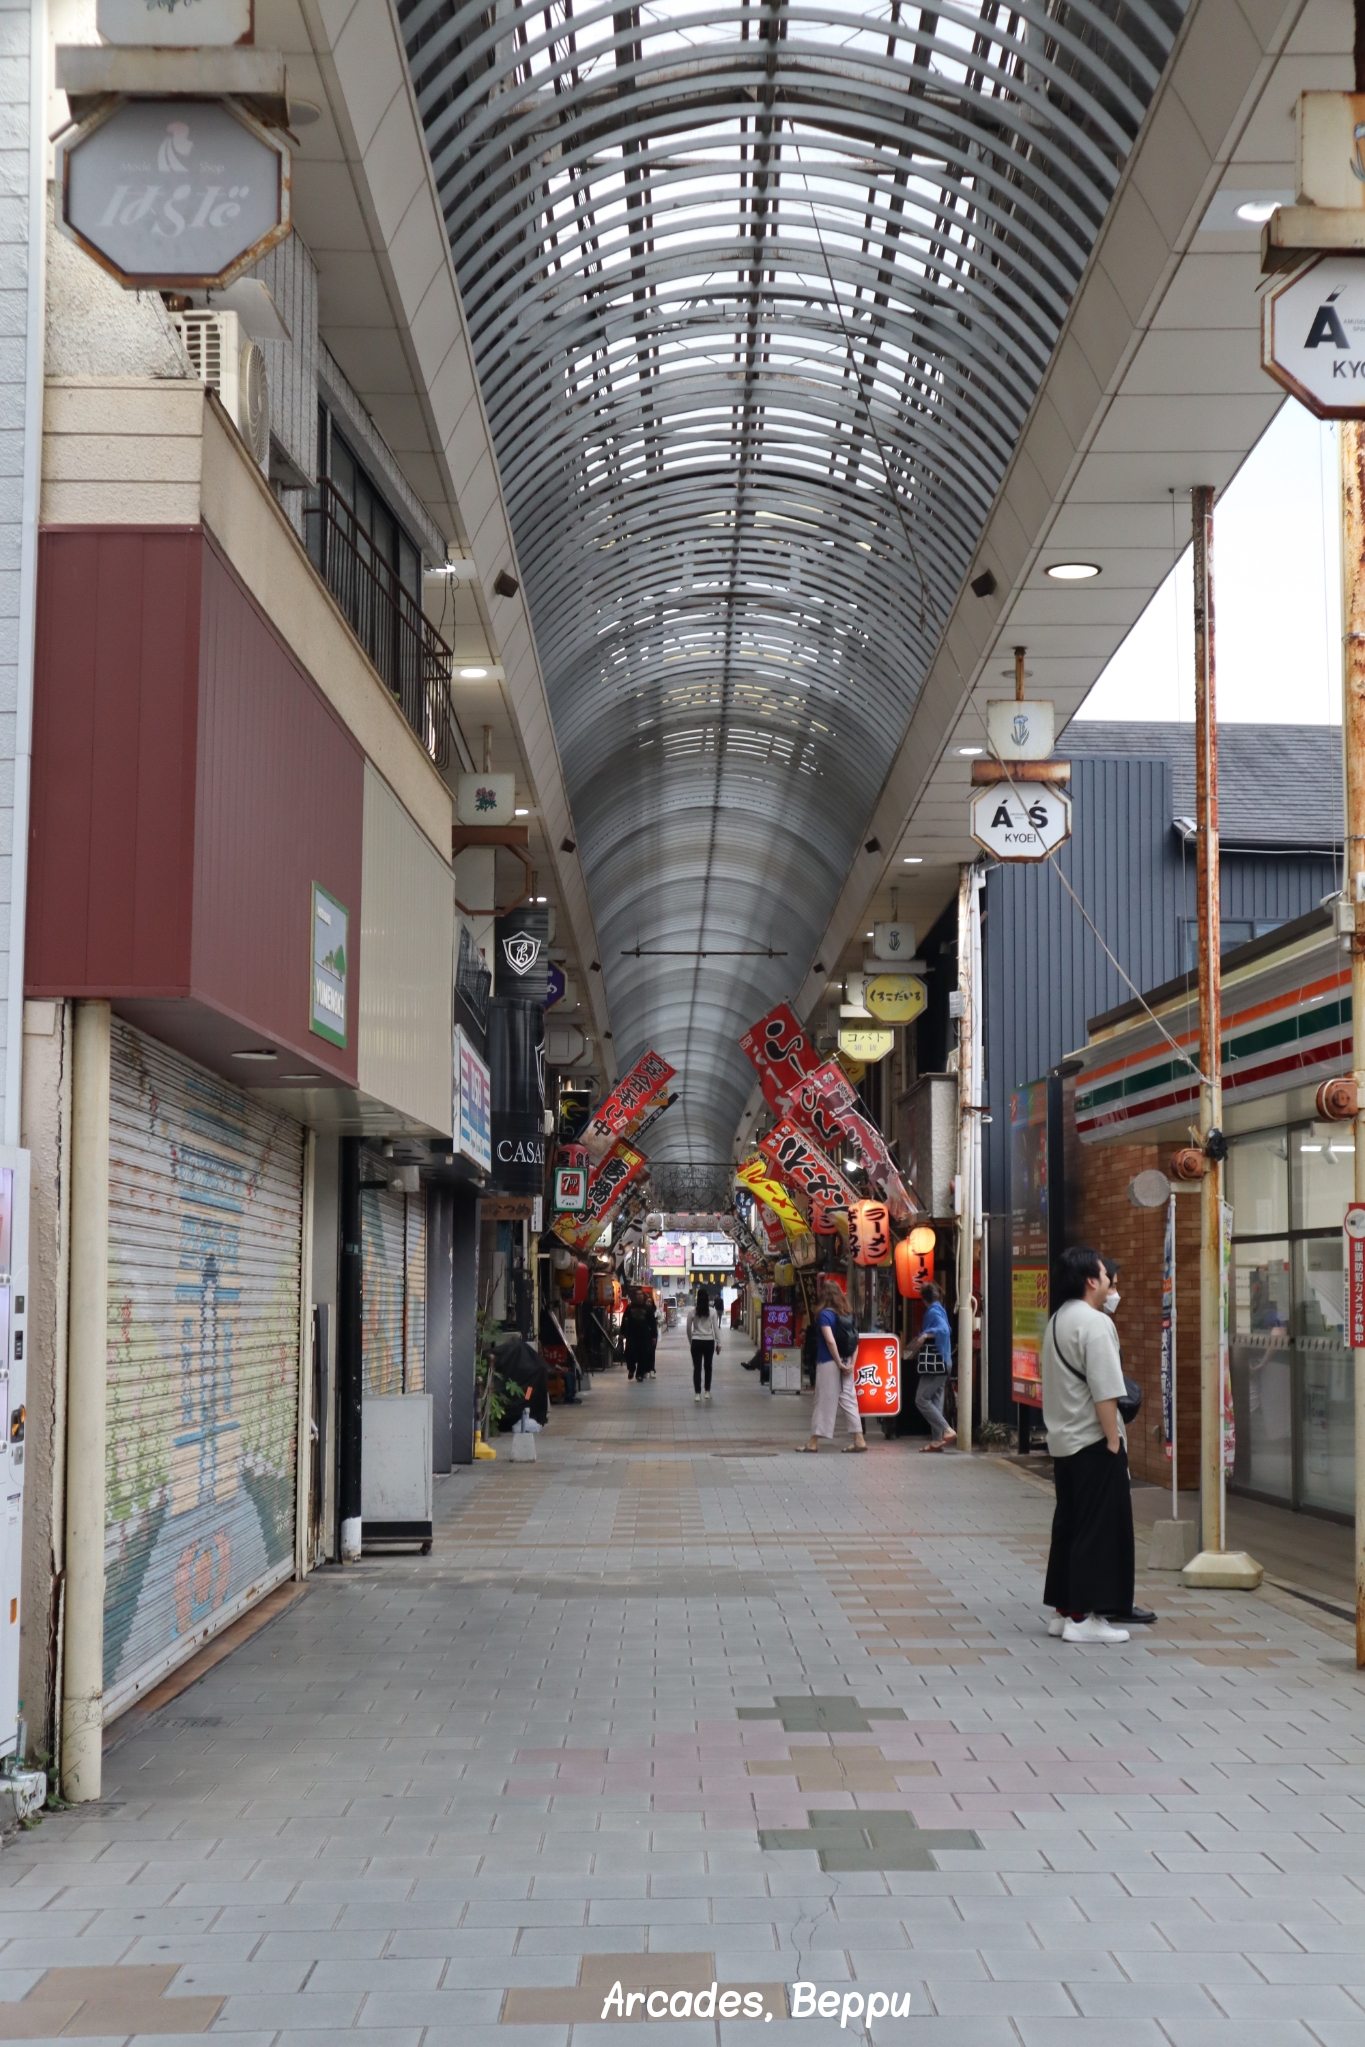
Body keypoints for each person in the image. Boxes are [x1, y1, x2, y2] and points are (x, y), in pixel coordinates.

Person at [1041, 1246, 1136, 1645]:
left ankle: (1064, 1611)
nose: (1112, 1282)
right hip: (1094, 1442)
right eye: (1105, 1273)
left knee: (1070, 1525)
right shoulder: (1095, 1324)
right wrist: (1113, 1441)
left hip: (1064, 1441)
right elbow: (1106, 1390)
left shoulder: (1059, 1319)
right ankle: (1086, 1618)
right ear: (1090, 1280)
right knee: (1097, 1531)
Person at [801, 1277, 866, 1453]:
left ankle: (813, 1442)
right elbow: (855, 1341)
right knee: (849, 1399)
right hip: (847, 1361)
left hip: (829, 1362)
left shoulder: (825, 1315)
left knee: (824, 1400)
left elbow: (830, 1341)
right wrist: (850, 1363)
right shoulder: (847, 1314)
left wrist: (838, 1363)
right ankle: (859, 1439)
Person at [908, 1282, 956, 1451]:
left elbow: (944, 1330)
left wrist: (926, 1334)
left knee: (921, 1399)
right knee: (935, 1400)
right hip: (944, 1362)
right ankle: (937, 1440)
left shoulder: (934, 1311)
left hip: (936, 1363)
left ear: (923, 1299)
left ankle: (946, 1429)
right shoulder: (939, 1308)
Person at [686, 1285, 722, 1402]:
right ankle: (707, 1391)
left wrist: (692, 1340)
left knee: (697, 1368)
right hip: (709, 1342)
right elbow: (716, 1329)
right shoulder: (712, 1311)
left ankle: (697, 1393)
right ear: (707, 1299)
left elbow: (688, 1329)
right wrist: (718, 1343)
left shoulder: (692, 1312)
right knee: (708, 1367)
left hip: (696, 1341)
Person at [620, 1287, 658, 1382]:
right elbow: (624, 1320)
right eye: (638, 1294)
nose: (640, 1296)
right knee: (629, 1353)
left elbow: (652, 1323)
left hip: (644, 1336)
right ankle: (631, 1369)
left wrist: (654, 1336)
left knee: (643, 1355)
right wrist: (622, 1333)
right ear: (635, 1296)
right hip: (631, 1335)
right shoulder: (630, 1308)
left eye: (641, 1294)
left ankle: (640, 1374)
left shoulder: (648, 1309)